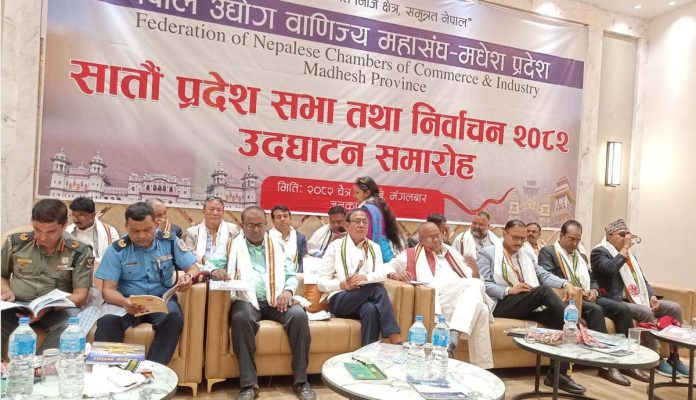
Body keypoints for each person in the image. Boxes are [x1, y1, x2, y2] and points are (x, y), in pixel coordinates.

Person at [213, 206, 315, 400]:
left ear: (266, 224)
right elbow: (212, 264)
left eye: (260, 225)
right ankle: (249, 385)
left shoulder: (277, 245)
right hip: (246, 299)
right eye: (250, 225)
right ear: (242, 225)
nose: (256, 229)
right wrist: (215, 271)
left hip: (277, 299)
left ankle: (301, 382)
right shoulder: (230, 245)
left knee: (299, 315)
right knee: (240, 318)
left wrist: (287, 291)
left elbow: (291, 274)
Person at [478, 219, 585, 395]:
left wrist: (565, 283)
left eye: (523, 239)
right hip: (501, 303)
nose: (520, 242)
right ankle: (580, 325)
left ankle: (558, 375)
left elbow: (543, 275)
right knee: (543, 291)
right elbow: (483, 283)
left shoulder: (525, 254)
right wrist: (509, 290)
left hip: (524, 303)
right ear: (504, 234)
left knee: (557, 318)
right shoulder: (487, 253)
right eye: (515, 238)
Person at [93, 202, 200, 365]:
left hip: (161, 299)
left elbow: (193, 268)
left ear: (156, 224)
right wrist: (124, 302)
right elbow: (108, 290)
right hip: (127, 301)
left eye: (147, 230)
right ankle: (108, 373)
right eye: (135, 231)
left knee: (173, 318)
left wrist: (188, 278)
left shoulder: (169, 241)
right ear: (126, 227)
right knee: (108, 321)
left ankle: (151, 369)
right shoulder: (116, 250)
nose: (142, 236)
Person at [538, 220, 634, 386]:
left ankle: (625, 361)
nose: (575, 243)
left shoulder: (580, 255)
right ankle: (604, 364)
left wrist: (594, 290)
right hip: (566, 298)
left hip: (587, 295)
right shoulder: (548, 252)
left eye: (578, 240)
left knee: (622, 309)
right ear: (561, 236)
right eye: (571, 239)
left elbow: (592, 279)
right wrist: (572, 288)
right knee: (596, 310)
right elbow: (547, 277)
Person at [591, 218, 689, 378]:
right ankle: (654, 359)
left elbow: (642, 280)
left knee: (674, 308)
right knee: (645, 312)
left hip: (638, 298)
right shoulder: (599, 252)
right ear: (609, 236)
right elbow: (610, 269)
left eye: (627, 235)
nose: (625, 238)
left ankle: (674, 356)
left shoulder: (630, 257)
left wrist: (651, 296)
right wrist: (625, 249)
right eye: (622, 234)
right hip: (616, 300)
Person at [387, 222, 493, 368]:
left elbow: (471, 279)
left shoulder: (451, 252)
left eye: (438, 235)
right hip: (436, 300)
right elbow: (387, 267)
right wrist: (395, 274)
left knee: (482, 308)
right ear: (421, 240)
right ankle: (454, 338)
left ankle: (480, 366)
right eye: (431, 237)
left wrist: (475, 272)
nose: (437, 239)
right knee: (476, 285)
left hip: (461, 304)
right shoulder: (410, 255)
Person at [1, 199, 93, 354]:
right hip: (17, 306)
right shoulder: (15, 243)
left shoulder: (79, 251)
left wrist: (48, 308)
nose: (42, 237)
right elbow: (2, 275)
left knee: (73, 326)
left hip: (56, 310)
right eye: (37, 229)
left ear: (64, 225)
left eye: (50, 232)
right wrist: (6, 290)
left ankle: (42, 364)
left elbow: (80, 296)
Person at [318, 208, 402, 346]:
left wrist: (365, 278)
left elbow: (381, 274)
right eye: (357, 221)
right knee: (377, 289)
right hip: (340, 299)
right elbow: (321, 283)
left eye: (365, 222)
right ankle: (395, 337)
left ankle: (367, 354)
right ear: (347, 225)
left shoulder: (374, 247)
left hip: (364, 297)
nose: (362, 225)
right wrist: (342, 284)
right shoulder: (335, 247)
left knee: (370, 309)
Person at [353, 176, 403, 262]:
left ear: (367, 193)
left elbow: (366, 235)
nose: (354, 196)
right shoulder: (378, 205)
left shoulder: (367, 209)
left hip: (376, 254)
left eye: (357, 193)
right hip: (385, 251)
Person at [184, 196, 240, 270]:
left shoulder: (232, 230)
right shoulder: (192, 232)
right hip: (200, 272)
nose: (215, 213)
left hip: (226, 273)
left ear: (223, 212)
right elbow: (188, 260)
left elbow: (238, 257)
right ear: (204, 211)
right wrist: (210, 270)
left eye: (219, 210)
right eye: (211, 209)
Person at [66, 196, 119, 261]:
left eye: (80, 216)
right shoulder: (67, 232)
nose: (76, 220)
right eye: (73, 215)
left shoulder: (110, 232)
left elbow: (115, 257)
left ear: (93, 215)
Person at [269, 205, 307, 272]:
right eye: (279, 217)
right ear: (273, 220)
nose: (283, 219)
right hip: (272, 274)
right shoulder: (266, 236)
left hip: (295, 275)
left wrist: (297, 275)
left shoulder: (300, 238)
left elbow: (302, 261)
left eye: (285, 216)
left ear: (290, 218)